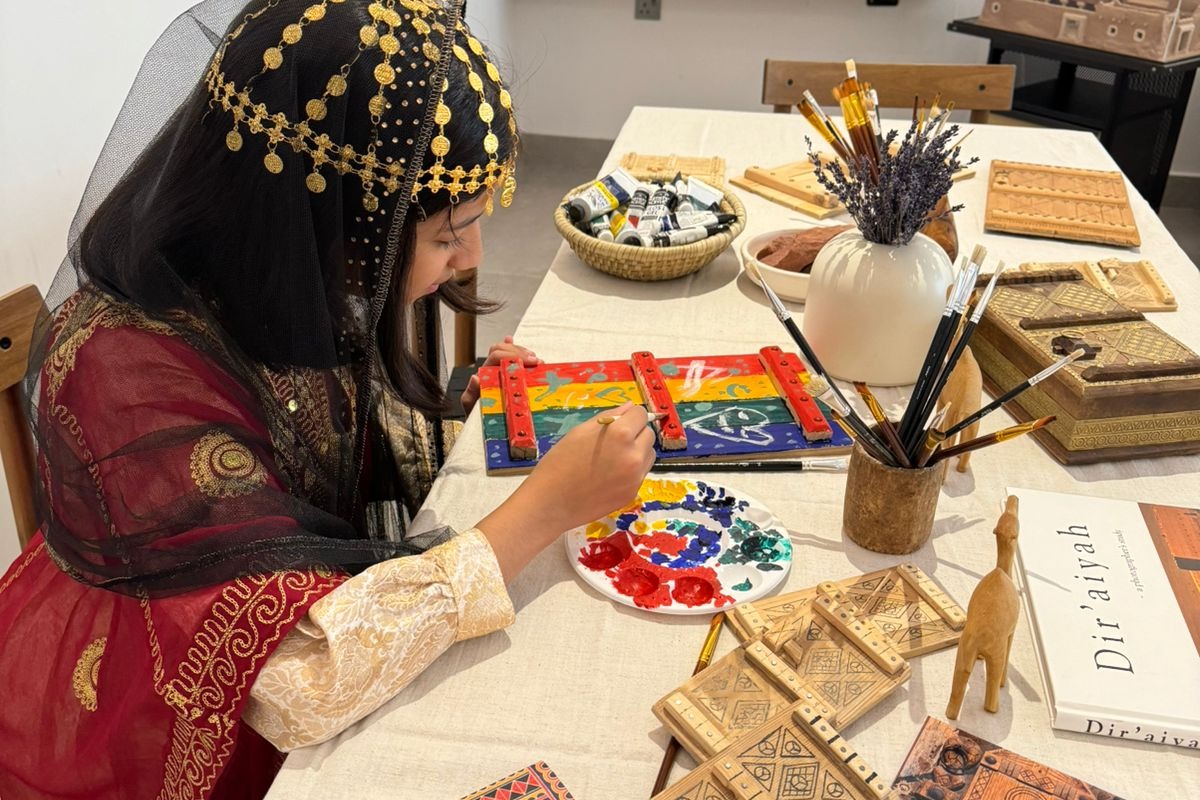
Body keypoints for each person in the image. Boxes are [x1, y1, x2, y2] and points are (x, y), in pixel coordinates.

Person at [0, 1, 655, 798]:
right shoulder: (126, 369)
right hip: (154, 708)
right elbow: (296, 686)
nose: (472, 258)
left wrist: (461, 411)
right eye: (450, 234)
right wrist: (539, 513)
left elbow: (335, 435)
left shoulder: (280, 276)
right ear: (324, 218)